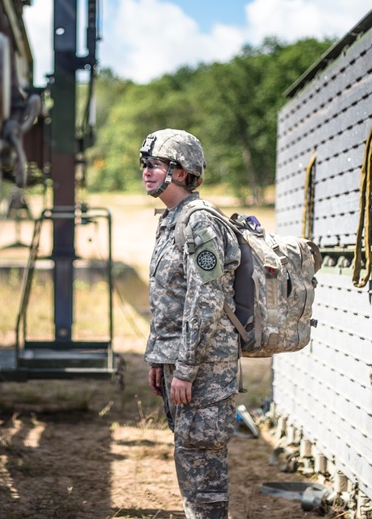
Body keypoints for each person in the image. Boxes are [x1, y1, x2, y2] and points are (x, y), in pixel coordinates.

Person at [140, 129, 241, 519]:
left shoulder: (199, 222)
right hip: (179, 365)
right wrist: (159, 360)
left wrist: (185, 368)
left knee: (203, 472)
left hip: (204, 370)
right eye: (144, 164)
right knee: (189, 458)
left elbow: (207, 299)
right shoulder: (172, 220)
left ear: (180, 172)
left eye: (155, 164)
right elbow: (170, 299)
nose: (146, 171)